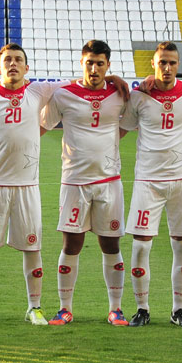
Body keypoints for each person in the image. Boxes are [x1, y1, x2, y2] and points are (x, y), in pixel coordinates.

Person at [0, 44, 126, 326]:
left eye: (18, 60)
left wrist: (117, 79)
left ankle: (35, 307)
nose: (13, 64)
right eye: (7, 60)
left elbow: (83, 81)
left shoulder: (39, 90)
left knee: (33, 248)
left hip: (29, 186)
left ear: (27, 68)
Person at [40, 40, 130, 326]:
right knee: (71, 244)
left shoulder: (120, 94)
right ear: (82, 62)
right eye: (89, 62)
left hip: (109, 181)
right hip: (75, 182)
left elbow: (144, 122)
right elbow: (39, 128)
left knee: (111, 244)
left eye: (100, 64)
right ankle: (65, 308)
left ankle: (115, 308)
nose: (94, 68)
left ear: (108, 65)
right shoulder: (63, 95)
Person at [121, 41, 182, 328]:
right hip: (148, 180)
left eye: (172, 62)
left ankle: (178, 310)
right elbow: (119, 131)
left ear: (178, 64)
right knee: (140, 247)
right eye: (162, 62)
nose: (167, 67)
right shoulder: (138, 97)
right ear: (153, 64)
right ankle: (142, 308)